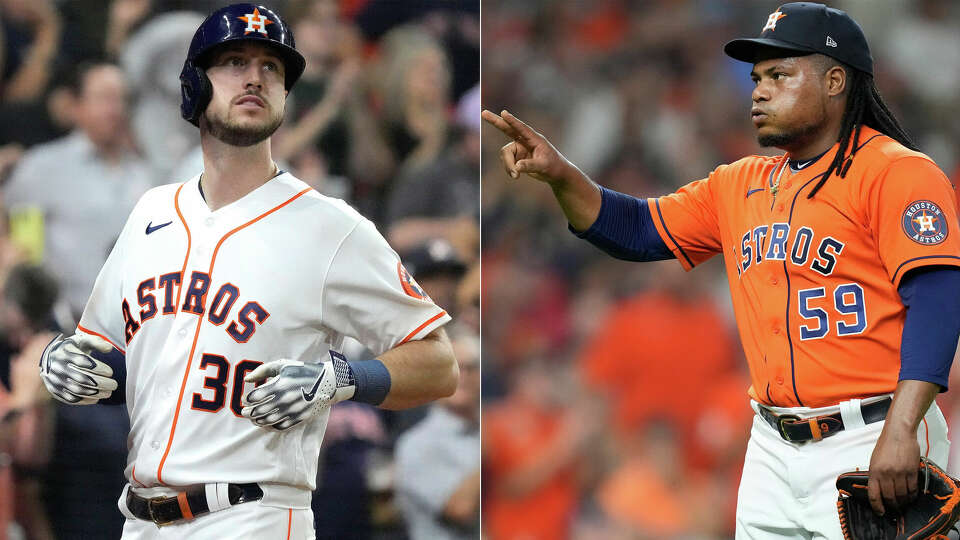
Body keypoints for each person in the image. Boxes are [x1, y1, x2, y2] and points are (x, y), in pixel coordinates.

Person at [484, 2, 960, 538]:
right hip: (771, 446)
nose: (758, 90)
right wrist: (562, 176)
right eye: (757, 77)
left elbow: (940, 297)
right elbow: (637, 230)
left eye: (780, 75)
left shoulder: (897, 172)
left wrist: (902, 426)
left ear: (834, 80)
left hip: (870, 432)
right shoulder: (739, 183)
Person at [37, 3, 458, 539]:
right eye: (234, 61)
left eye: (272, 67)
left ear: (285, 94)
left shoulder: (331, 227)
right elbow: (118, 363)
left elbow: (440, 363)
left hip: (252, 515)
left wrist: (344, 379)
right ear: (194, 85)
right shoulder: (151, 212)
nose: (255, 76)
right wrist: (66, 364)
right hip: (141, 519)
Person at [4, 60, 153, 319]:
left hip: (134, 320)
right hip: (67, 321)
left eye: (121, 99)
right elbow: (12, 227)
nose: (114, 109)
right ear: (77, 106)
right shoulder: (43, 166)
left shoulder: (144, 171)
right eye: (104, 99)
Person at [394, 326, 480, 540]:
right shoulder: (415, 445)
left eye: (471, 367)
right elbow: (460, 509)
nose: (463, 376)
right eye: (454, 367)